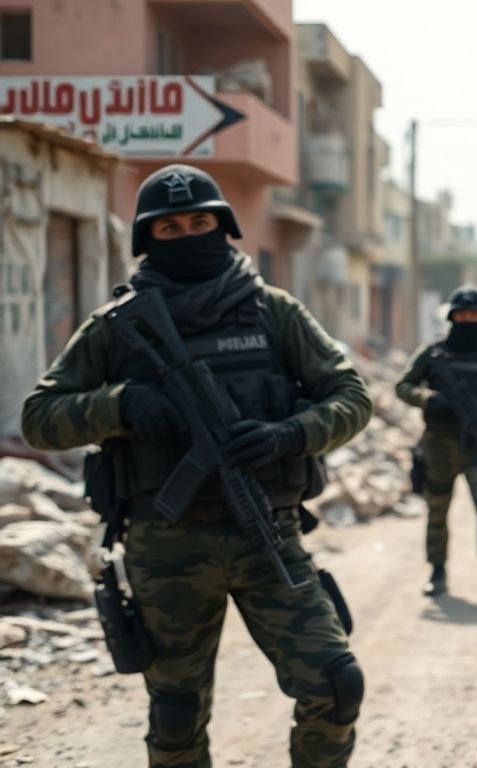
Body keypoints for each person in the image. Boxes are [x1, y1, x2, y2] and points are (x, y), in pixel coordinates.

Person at [21, 164, 372, 768]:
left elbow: (351, 398)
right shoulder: (116, 327)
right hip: (165, 543)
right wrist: (122, 404)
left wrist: (289, 434)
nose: (187, 234)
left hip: (268, 532)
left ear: (224, 226)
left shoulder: (272, 312)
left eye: (200, 222)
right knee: (177, 715)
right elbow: (39, 417)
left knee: (335, 683)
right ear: (147, 239)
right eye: (171, 226)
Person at [396, 286, 477, 601]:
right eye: (461, 314)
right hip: (439, 444)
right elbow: (404, 386)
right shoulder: (433, 353)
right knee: (437, 509)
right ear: (452, 316)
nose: (467, 319)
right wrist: (428, 399)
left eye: (473, 315)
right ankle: (437, 572)